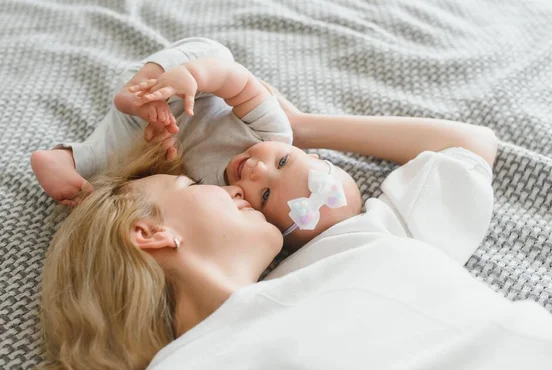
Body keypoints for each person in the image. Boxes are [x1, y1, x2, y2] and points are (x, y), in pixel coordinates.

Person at [14, 88, 552, 370]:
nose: (229, 183)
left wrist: (301, 126)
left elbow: (468, 145)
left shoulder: (354, 242)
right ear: (150, 233)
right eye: (193, 185)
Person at [30, 37, 362, 249]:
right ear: (305, 152)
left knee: (111, 168)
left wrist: (162, 156)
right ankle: (136, 88)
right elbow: (239, 83)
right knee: (218, 54)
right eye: (283, 162)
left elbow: (165, 188)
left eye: (264, 195)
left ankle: (68, 160)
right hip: (175, 90)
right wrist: (194, 76)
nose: (259, 170)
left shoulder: (222, 201)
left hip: (145, 134)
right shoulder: (275, 134)